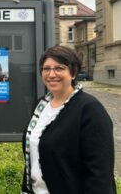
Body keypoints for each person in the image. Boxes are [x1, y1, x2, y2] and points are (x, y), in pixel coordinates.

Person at [21, 45, 116, 194]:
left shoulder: (90, 109)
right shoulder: (41, 105)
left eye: (59, 68)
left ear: (73, 73)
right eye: (46, 69)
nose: (51, 74)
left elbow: (100, 173)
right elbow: (32, 157)